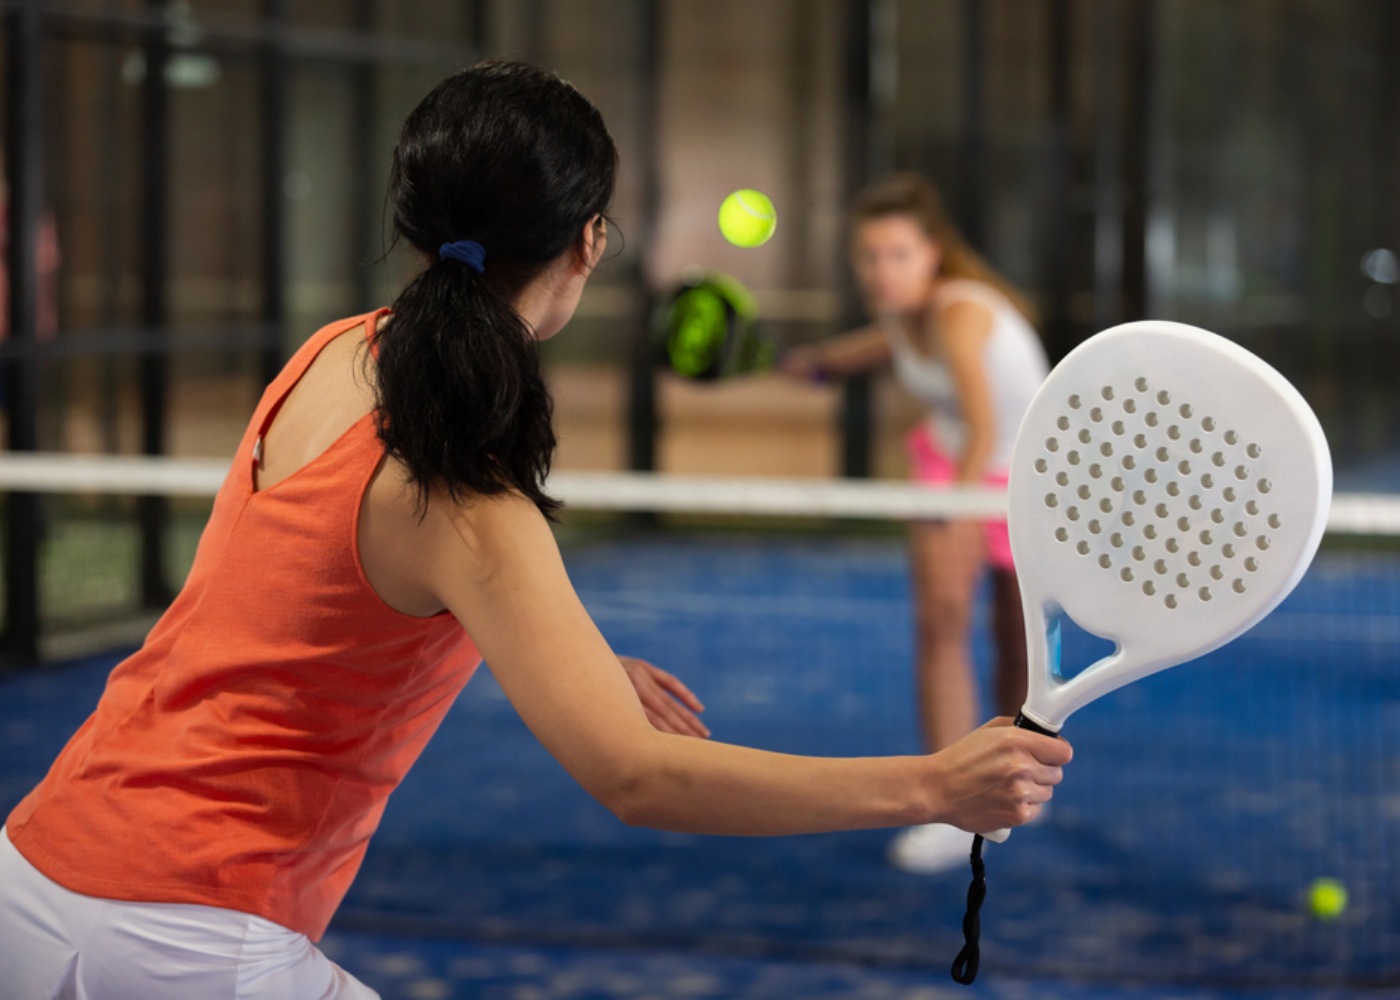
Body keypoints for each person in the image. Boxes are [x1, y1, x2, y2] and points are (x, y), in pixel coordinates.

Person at [0, 66, 1070, 999]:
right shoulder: (466, 488)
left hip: (35, 870)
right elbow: (637, 776)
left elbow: (323, 591)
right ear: (587, 241)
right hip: (185, 935)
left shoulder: (329, 353)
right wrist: (932, 785)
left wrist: (577, 654)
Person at [781, 173, 1051, 874]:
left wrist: (958, 509)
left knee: (1017, 650)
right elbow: (858, 353)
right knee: (940, 625)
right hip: (950, 460)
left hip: (1024, 479)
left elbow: (987, 422)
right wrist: (808, 365)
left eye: (898, 255)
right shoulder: (901, 317)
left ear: (933, 253)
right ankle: (952, 807)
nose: (882, 270)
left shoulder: (961, 312)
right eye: (869, 256)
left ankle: (1013, 782)